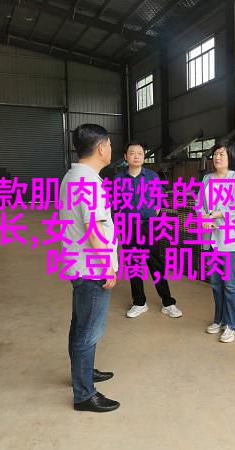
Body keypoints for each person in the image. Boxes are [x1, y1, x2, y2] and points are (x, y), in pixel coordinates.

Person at [59, 124, 119, 413]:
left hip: (78, 263)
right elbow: (93, 229)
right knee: (88, 331)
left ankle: (83, 373)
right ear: (101, 147)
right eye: (110, 144)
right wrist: (108, 266)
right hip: (91, 267)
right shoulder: (88, 182)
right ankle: (84, 394)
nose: (111, 149)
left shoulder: (73, 176)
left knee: (80, 324)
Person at [115, 141, 182, 319]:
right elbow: (116, 204)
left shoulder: (152, 177)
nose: (136, 156)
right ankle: (139, 303)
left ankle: (168, 303)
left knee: (155, 263)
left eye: (140, 153)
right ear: (125, 157)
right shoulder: (119, 178)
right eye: (132, 153)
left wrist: (151, 217)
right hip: (128, 226)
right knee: (134, 265)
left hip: (149, 226)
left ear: (144, 157)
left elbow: (159, 201)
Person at [199, 141, 235, 343]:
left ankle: (233, 326)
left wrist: (214, 215)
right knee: (216, 283)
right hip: (210, 238)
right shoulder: (207, 179)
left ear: (230, 157)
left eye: (221, 154)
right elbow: (199, 205)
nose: (217, 158)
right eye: (215, 154)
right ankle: (219, 320)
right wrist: (204, 217)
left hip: (230, 239)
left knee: (230, 284)